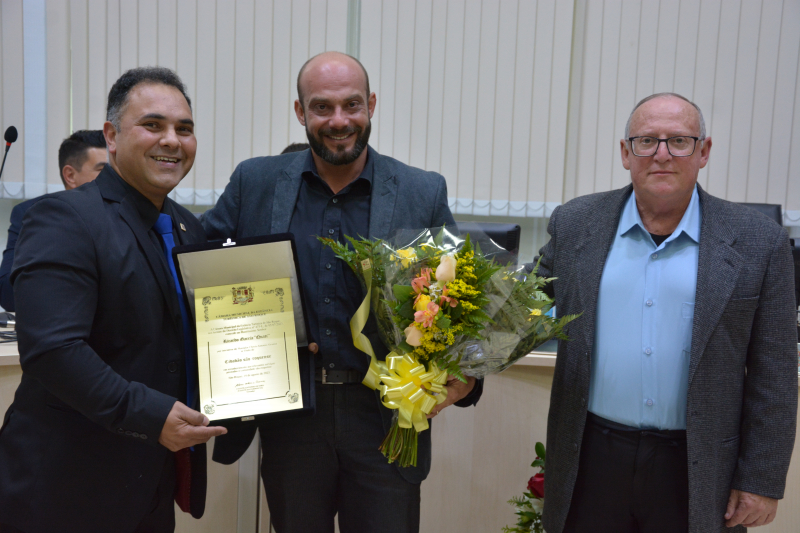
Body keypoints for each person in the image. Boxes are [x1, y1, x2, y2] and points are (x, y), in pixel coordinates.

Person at [202, 51, 482, 533]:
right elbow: (202, 266)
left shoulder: (421, 191)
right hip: (292, 417)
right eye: (322, 107)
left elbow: (460, 295)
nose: (338, 120)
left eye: (351, 105)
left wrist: (468, 374)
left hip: (385, 418)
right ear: (300, 112)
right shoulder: (256, 182)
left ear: (371, 105)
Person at [536, 93, 797, 533]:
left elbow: (775, 373)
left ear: (703, 151)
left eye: (678, 141)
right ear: (626, 153)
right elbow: (522, 309)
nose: (661, 154)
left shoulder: (759, 242)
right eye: (646, 141)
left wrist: (760, 478)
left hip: (698, 466)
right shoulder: (576, 223)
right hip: (591, 458)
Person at [0, 67, 227, 533]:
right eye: (153, 125)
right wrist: (151, 416)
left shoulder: (189, 227)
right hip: (66, 486)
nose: (172, 140)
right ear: (112, 136)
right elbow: (53, 350)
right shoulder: (63, 218)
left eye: (184, 129)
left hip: (152, 484)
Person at [0, 130, 107, 311]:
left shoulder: (131, 212)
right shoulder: (33, 214)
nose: (115, 179)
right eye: (103, 170)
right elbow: (8, 294)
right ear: (70, 175)